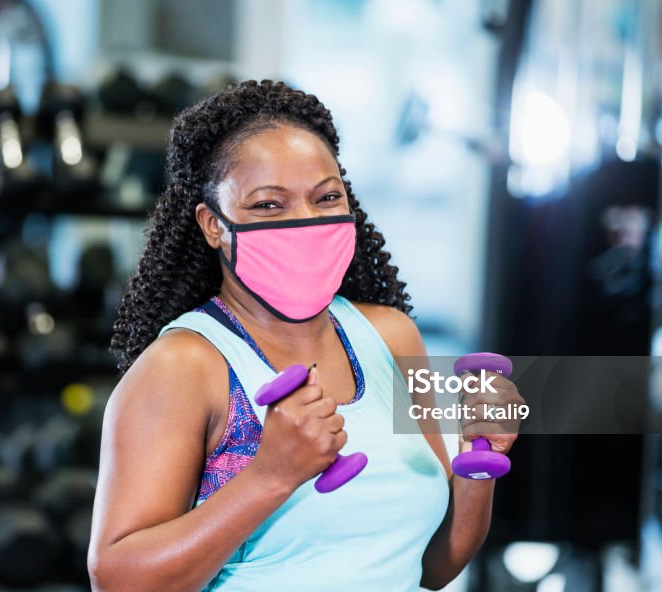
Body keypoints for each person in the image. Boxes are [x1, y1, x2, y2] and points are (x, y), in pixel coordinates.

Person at [88, 79, 523, 591]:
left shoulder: (391, 337)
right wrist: (270, 474)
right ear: (212, 224)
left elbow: (431, 567)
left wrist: (480, 460)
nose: (305, 222)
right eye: (269, 205)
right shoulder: (185, 365)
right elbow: (117, 580)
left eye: (326, 197)